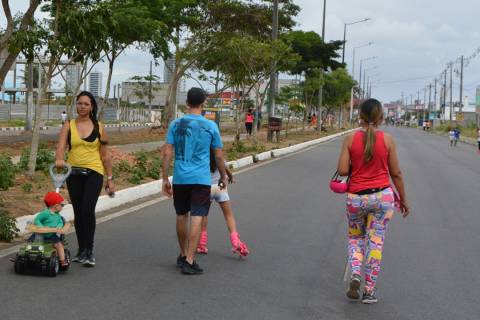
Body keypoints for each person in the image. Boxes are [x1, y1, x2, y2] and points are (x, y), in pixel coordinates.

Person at [337, 98, 409, 304]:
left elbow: (342, 170)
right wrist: (403, 200)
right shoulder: (387, 140)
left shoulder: (350, 139)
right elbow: (396, 173)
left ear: (360, 116)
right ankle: (369, 291)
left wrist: (358, 166)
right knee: (376, 241)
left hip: (356, 198)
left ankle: (356, 274)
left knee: (356, 239)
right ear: (381, 117)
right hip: (382, 197)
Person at [162, 87, 227, 275]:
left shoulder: (175, 124)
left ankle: (183, 255)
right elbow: (219, 156)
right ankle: (190, 260)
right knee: (198, 216)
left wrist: (165, 178)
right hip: (201, 179)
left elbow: (167, 152)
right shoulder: (211, 126)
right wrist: (223, 176)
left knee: (181, 215)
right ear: (203, 103)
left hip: (181, 178)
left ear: (187, 103)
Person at [55, 91, 115, 267]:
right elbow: (60, 147)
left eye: (86, 104)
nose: (82, 106)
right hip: (73, 173)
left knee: (88, 210)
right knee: (79, 212)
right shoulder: (69, 125)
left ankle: (89, 250)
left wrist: (110, 178)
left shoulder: (99, 127)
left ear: (92, 107)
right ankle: (81, 250)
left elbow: (105, 155)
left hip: (94, 172)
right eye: (80, 103)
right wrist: (59, 159)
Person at [196, 148, 249, 257]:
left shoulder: (202, 155)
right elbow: (225, 167)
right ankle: (235, 242)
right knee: (229, 216)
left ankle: (201, 245)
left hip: (207, 188)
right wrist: (230, 177)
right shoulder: (218, 154)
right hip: (220, 187)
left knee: (204, 215)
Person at [29, 192, 70, 269]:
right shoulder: (45, 213)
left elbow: (60, 222)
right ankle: (27, 256)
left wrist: (59, 227)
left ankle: (62, 260)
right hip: (41, 233)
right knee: (30, 244)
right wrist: (41, 227)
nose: (62, 207)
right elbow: (37, 220)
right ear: (56, 206)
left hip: (52, 234)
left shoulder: (58, 215)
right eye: (62, 205)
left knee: (59, 245)